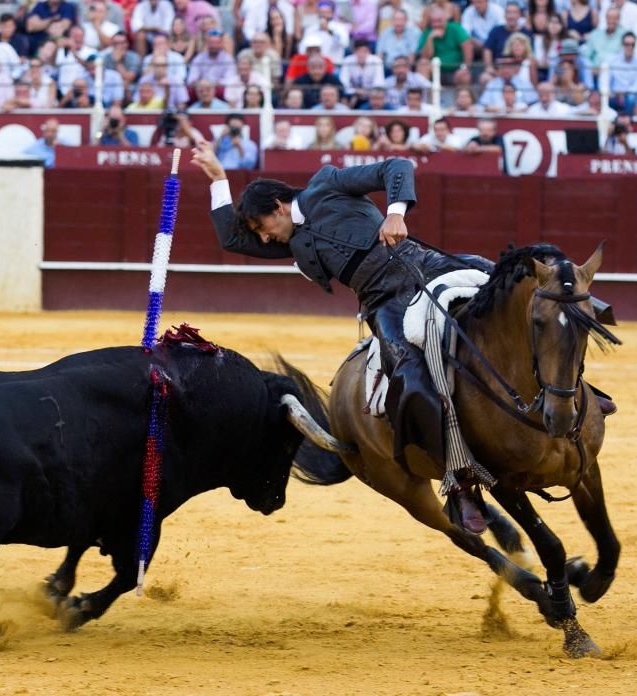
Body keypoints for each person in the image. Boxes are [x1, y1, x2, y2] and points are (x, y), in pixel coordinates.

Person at [191, 141, 497, 534]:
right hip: (384, 303)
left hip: (425, 268)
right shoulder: (293, 242)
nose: (264, 239)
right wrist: (218, 179)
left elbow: (397, 166)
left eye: (261, 227)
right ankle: (461, 483)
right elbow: (232, 241)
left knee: (511, 286)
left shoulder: (327, 185)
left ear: (278, 207)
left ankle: (580, 391)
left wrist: (395, 214)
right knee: (407, 375)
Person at [418, 5, 473, 82]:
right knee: (422, 64)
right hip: (436, 70)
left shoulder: (455, 28)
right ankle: (426, 93)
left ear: (445, 20)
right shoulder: (428, 33)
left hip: (456, 70)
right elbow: (425, 57)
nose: (436, 24)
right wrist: (430, 39)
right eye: (433, 21)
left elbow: (467, 46)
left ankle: (462, 94)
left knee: (465, 77)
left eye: (439, 21)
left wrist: (464, 68)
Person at [339, 38, 385, 108]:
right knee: (344, 97)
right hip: (352, 95)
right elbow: (344, 84)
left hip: (371, 94)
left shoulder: (377, 61)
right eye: (359, 51)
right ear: (354, 51)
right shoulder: (347, 61)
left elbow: (379, 84)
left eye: (364, 51)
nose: (362, 54)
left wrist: (366, 92)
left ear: (369, 51)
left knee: (377, 96)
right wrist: (355, 92)